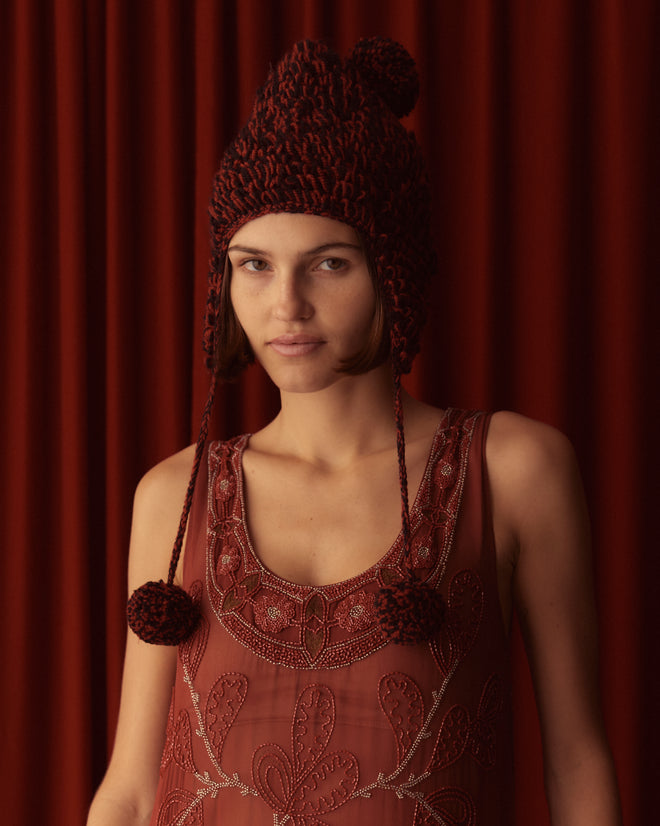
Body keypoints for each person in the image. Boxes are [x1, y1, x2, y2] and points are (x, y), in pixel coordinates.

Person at [87, 38, 621, 826]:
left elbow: (577, 762)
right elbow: (130, 790)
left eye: (329, 263)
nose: (286, 305)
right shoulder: (175, 494)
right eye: (254, 264)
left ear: (393, 272)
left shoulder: (513, 469)